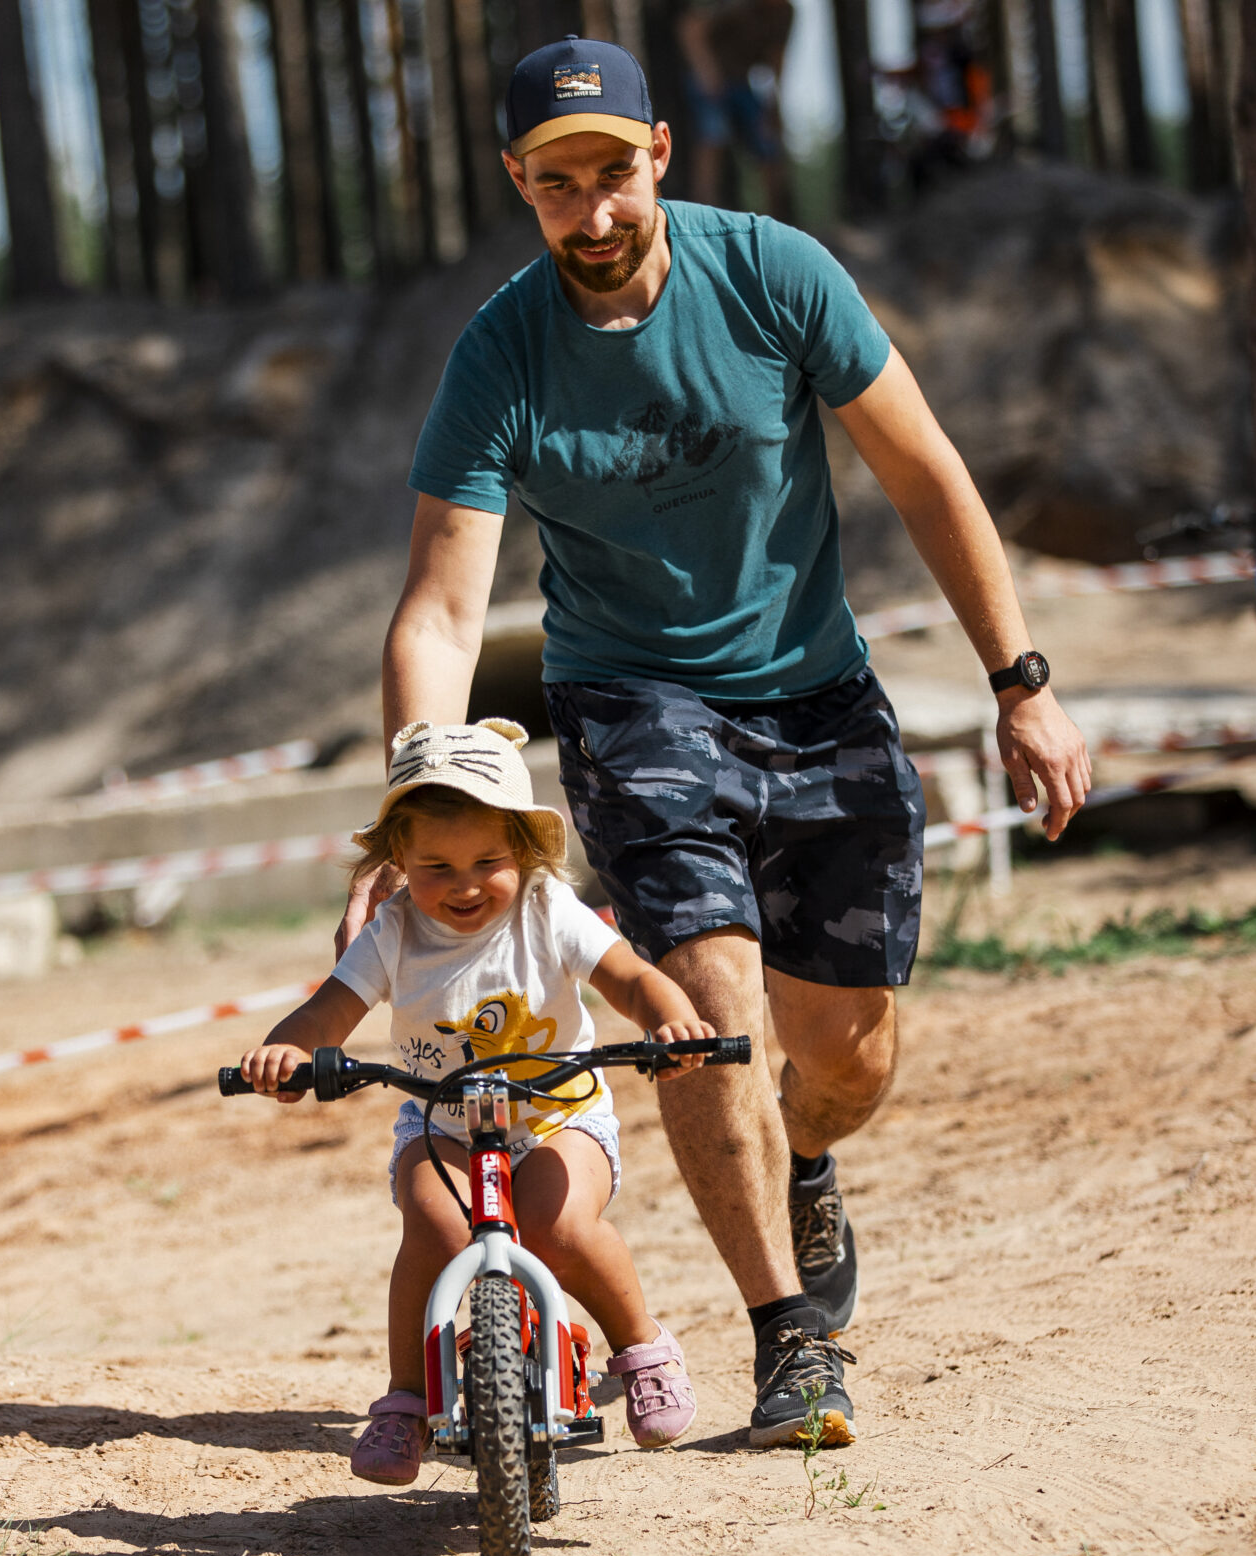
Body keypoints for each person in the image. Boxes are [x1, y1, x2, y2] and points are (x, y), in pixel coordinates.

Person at [342, 37, 1093, 1449]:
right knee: (703, 1010)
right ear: (520, 184)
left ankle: (806, 1152)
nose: (594, 210)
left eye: (613, 172)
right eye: (557, 184)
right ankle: (788, 1336)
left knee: (850, 1051)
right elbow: (441, 606)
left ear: (662, 154)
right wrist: (416, 804)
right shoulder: (502, 351)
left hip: (816, 690)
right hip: (635, 703)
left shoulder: (774, 274)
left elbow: (925, 469)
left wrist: (1022, 678)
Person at [244, 719, 724, 1482]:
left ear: (526, 851)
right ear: (396, 858)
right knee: (433, 1224)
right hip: (444, 1121)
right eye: (435, 865)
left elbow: (629, 974)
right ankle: (404, 1399)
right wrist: (290, 1049)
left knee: (558, 1226)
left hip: (558, 1113)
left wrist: (669, 1016)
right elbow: (329, 1010)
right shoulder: (393, 931)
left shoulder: (546, 908)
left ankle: (641, 1346)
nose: (464, 884)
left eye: (486, 861)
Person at [676, 0, 795, 215]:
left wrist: (775, 103)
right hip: (708, 75)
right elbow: (691, 28)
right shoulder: (735, 5)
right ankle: (701, 212)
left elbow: (777, 56)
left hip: (742, 81)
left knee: (768, 141)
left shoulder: (785, 13)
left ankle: (776, 220)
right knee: (713, 135)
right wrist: (707, 72)